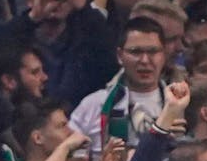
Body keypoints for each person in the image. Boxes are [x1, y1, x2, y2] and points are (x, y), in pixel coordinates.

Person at [67, 16, 168, 148]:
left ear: (164, 55)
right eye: (136, 52)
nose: (144, 60)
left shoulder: (179, 104)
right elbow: (67, 153)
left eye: (153, 51)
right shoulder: (94, 104)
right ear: (120, 56)